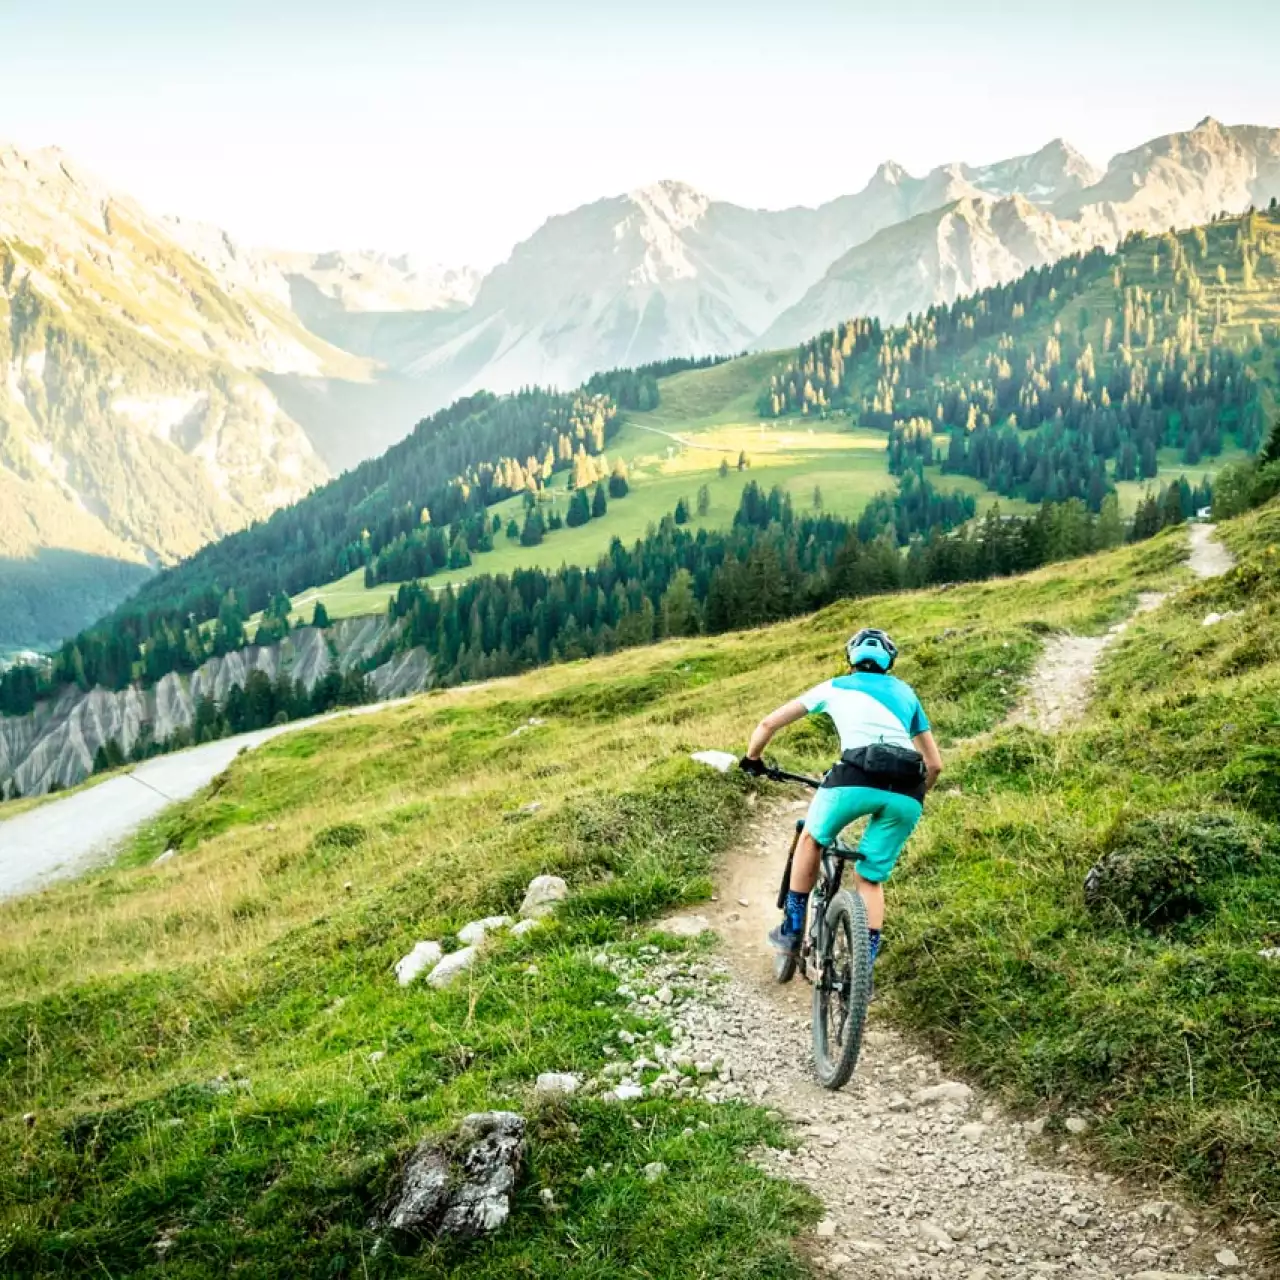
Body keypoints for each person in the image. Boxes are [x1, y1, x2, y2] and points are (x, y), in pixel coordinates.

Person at [740, 628, 942, 970]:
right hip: (908, 791)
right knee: (871, 879)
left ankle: (791, 930)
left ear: (851, 659)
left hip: (853, 778)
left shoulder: (835, 686)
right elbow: (934, 765)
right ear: (889, 662)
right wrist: (915, 796)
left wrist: (753, 759)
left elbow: (768, 723)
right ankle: (863, 965)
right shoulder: (907, 693)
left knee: (811, 840)